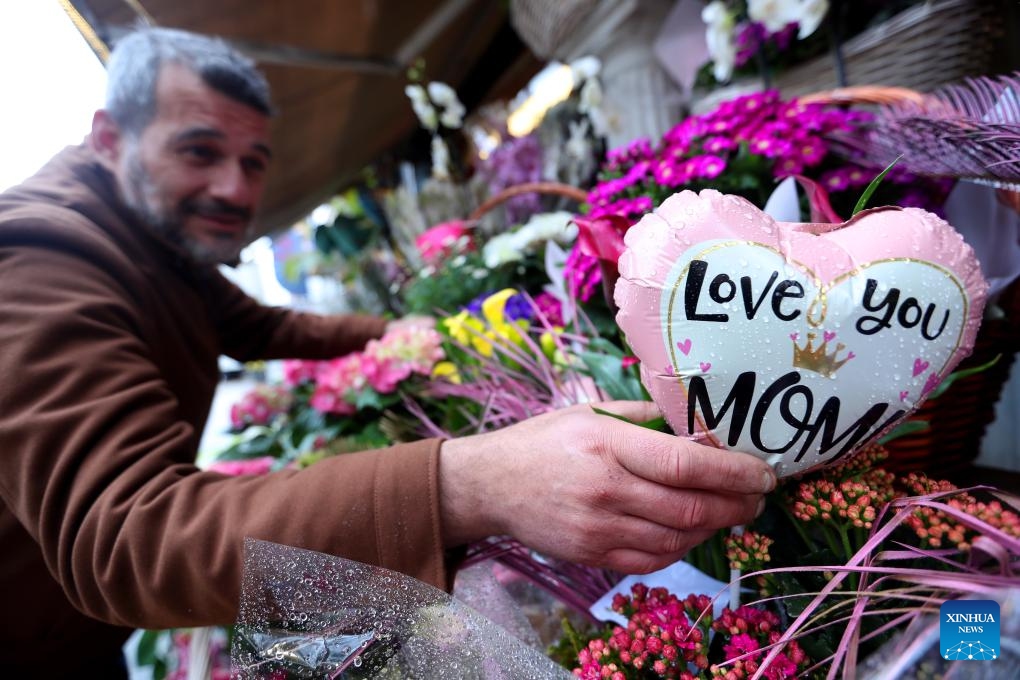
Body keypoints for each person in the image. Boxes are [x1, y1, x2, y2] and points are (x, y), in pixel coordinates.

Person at [0, 27, 776, 676]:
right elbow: (126, 536)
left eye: (253, 161)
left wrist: (414, 335)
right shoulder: (39, 259)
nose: (235, 190)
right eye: (198, 152)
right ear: (109, 138)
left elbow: (269, 329)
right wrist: (470, 480)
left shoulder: (154, 239)